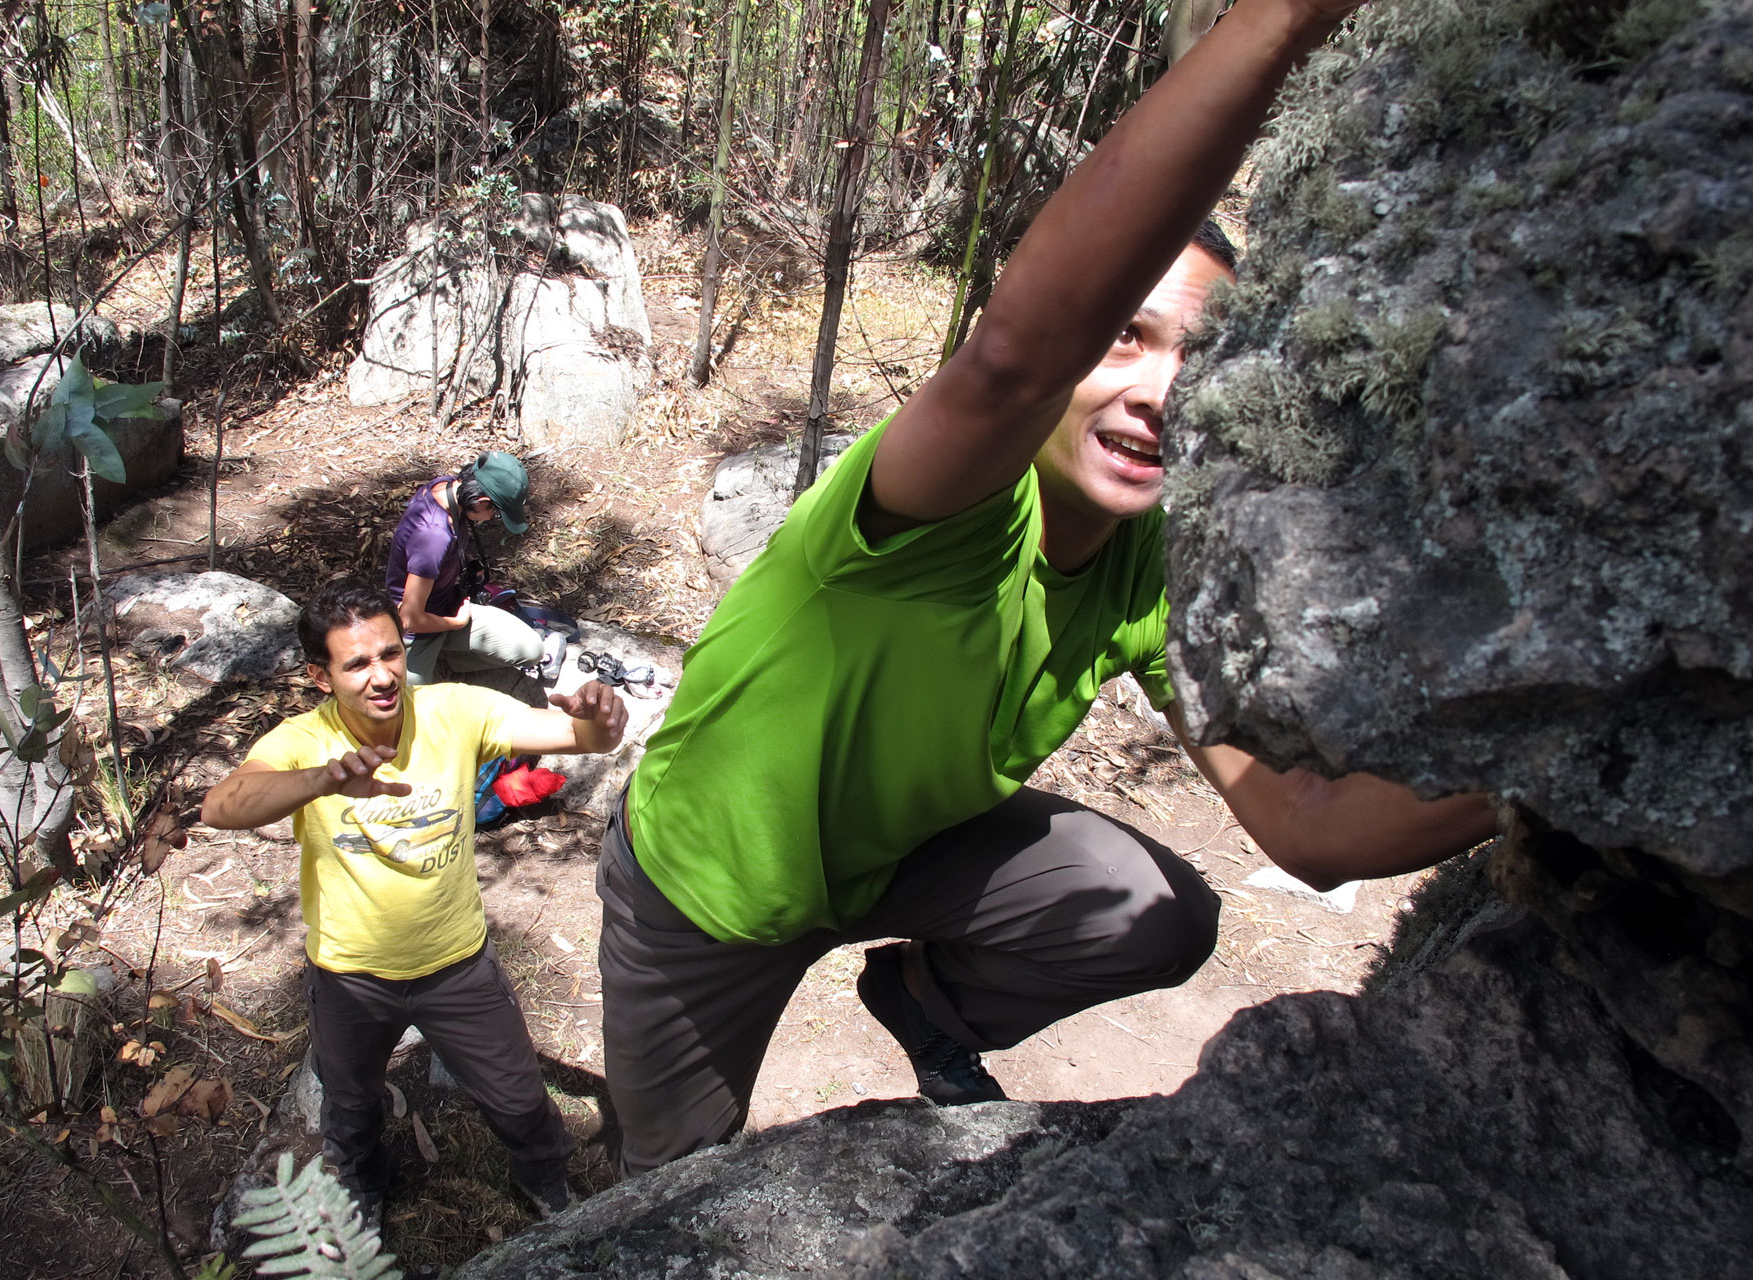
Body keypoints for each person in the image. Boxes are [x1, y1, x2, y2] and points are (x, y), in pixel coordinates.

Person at [599, 0, 1499, 1176]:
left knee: (1157, 907)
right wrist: (1280, 23)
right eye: (1125, 337)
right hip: (712, 885)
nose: (1159, 392)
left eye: (1197, 359)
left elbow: (1311, 828)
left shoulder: (1150, 564)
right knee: (671, 1183)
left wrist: (1569, 771)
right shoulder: (944, 502)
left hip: (902, 852)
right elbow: (1018, 348)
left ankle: (926, 1002)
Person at [201, 580, 628, 1220]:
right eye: (357, 663)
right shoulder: (299, 743)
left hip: (456, 963)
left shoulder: (453, 710)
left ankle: (547, 1180)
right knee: (349, 1106)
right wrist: (324, 779)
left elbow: (580, 739)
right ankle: (363, 1193)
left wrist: (599, 717)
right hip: (349, 975)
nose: (382, 676)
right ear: (321, 677)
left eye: (391, 654)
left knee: (516, 1095)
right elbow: (221, 806)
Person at [385, 450, 564, 685]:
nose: (493, 518)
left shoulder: (448, 487)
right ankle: (435, 661)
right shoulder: (433, 536)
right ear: (480, 502)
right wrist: (456, 622)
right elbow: (408, 619)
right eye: (496, 513)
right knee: (406, 703)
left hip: (449, 606)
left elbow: (442, 553)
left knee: (531, 651)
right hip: (417, 631)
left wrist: (465, 563)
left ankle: (444, 660)